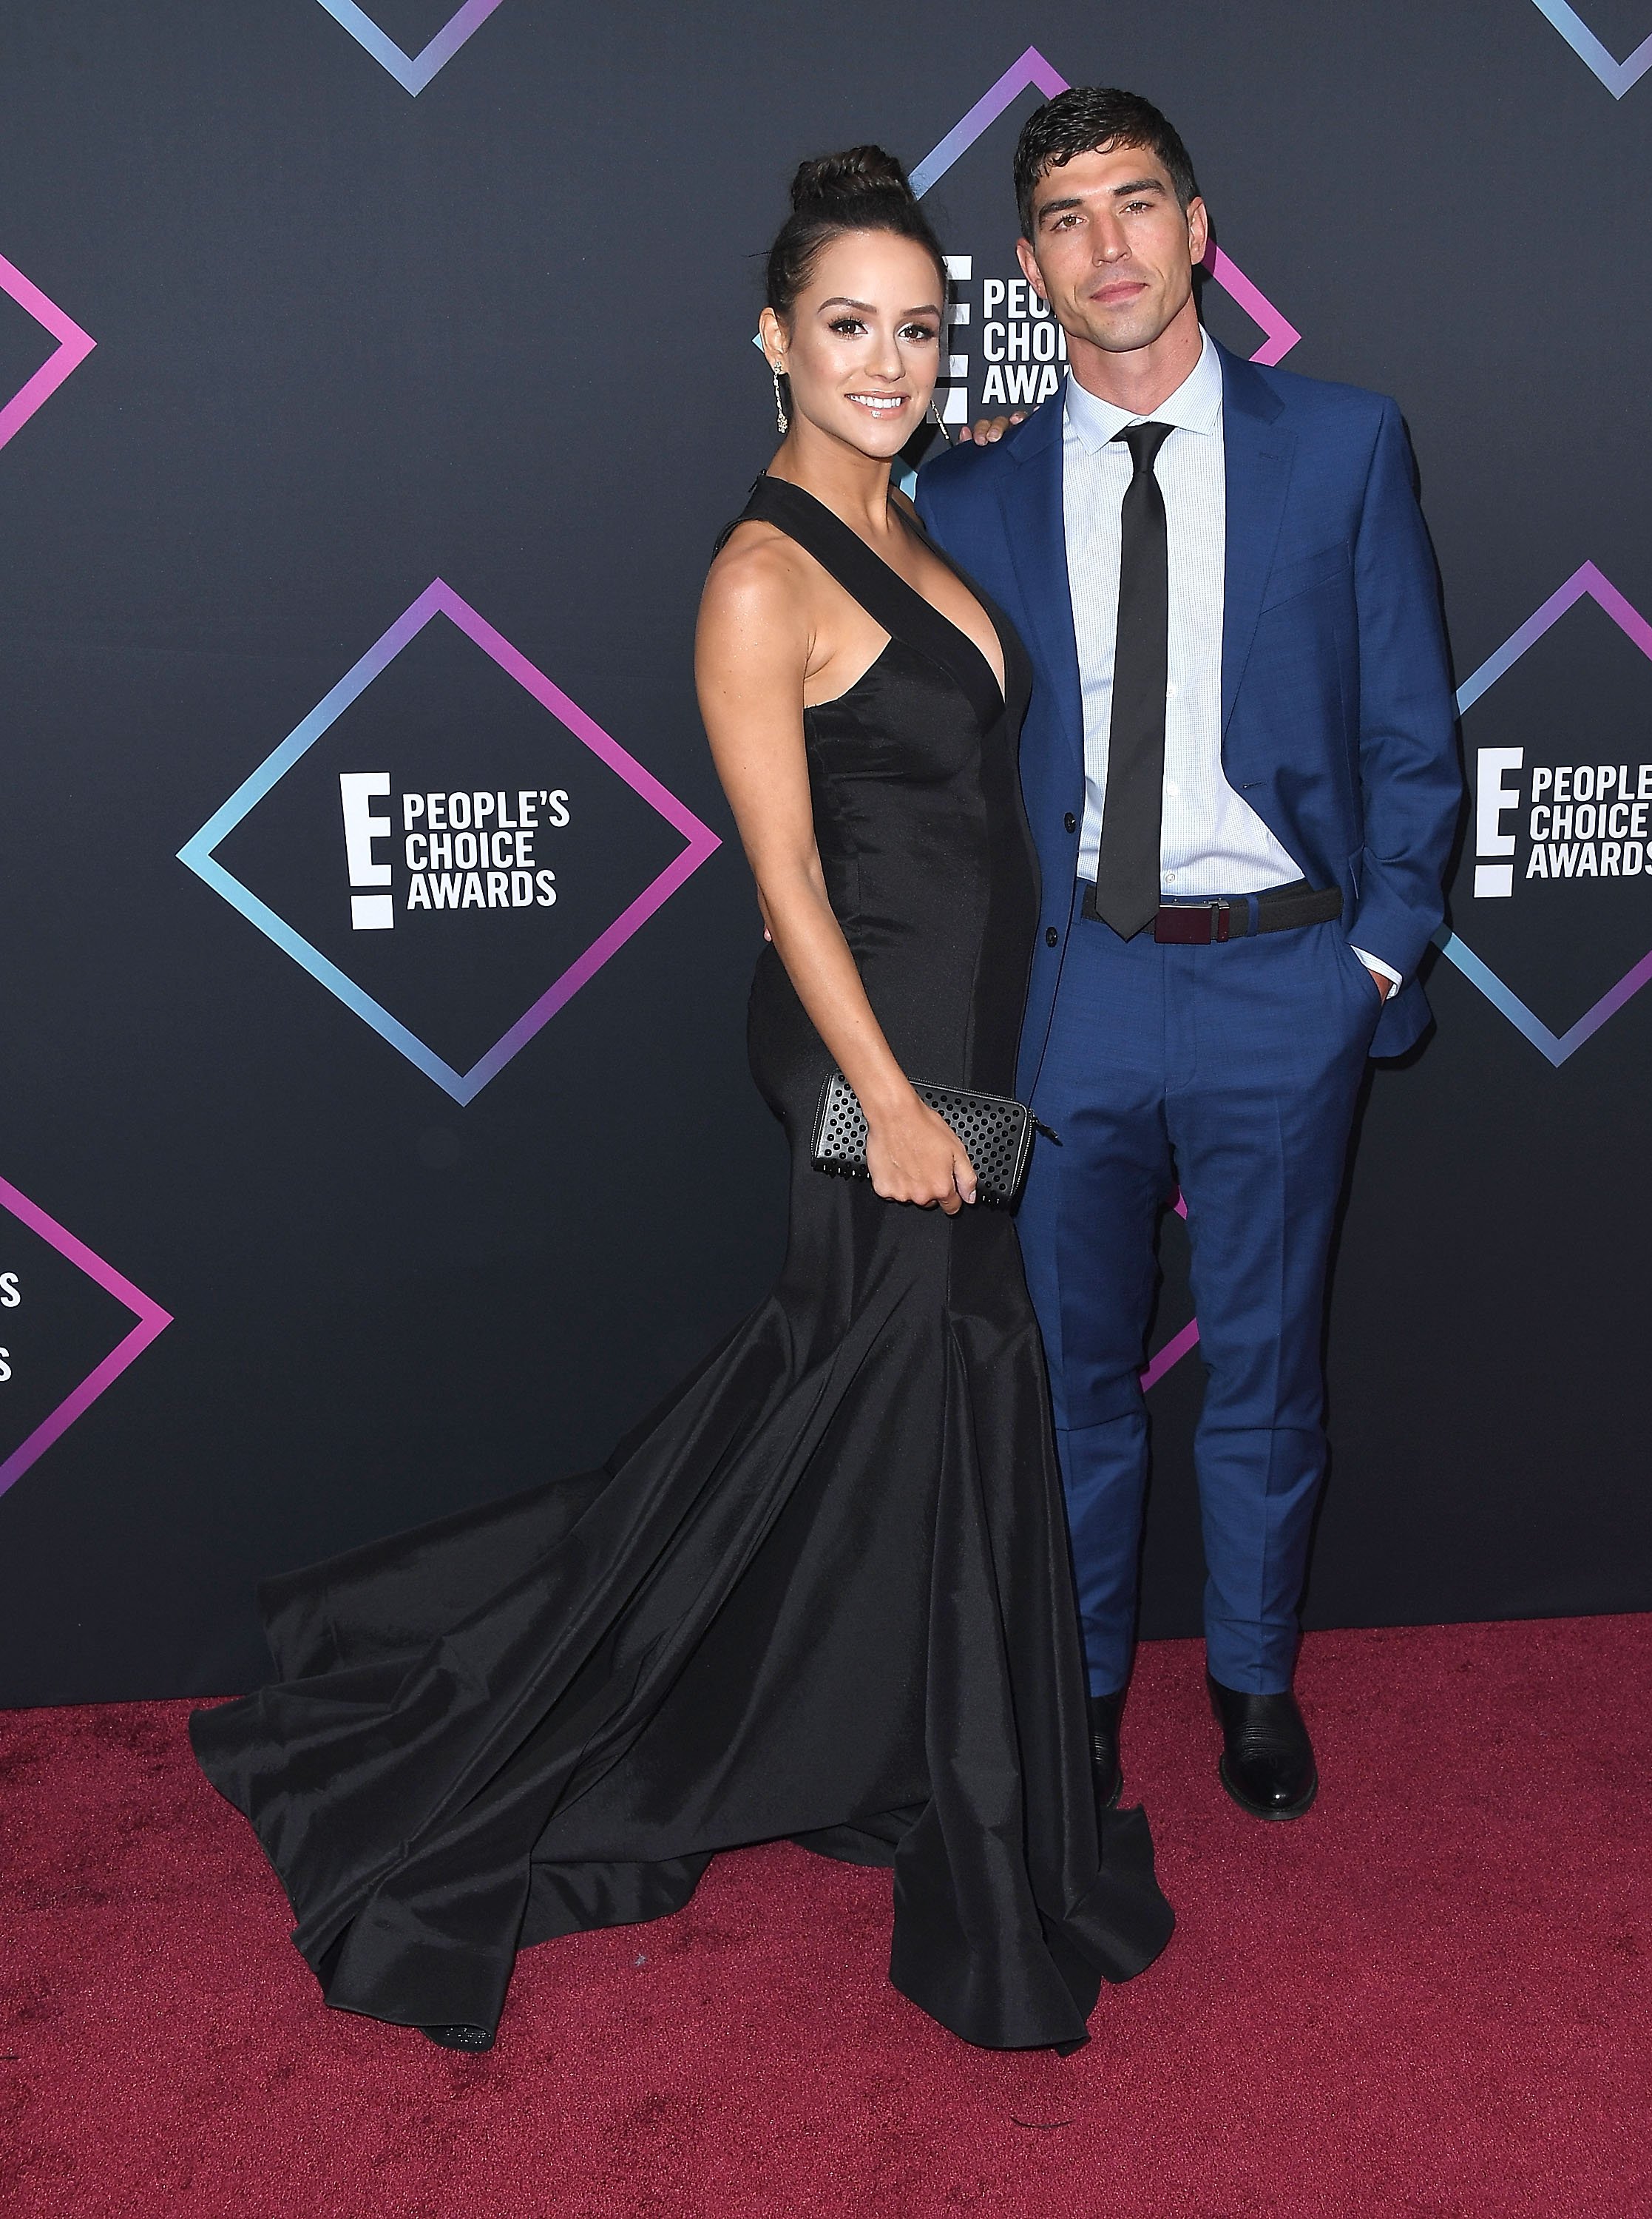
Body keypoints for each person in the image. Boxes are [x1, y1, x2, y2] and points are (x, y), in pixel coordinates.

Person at [191, 149, 1171, 2057]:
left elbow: (1025, 424)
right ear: (770, 340)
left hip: (952, 1046)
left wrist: (985, 399)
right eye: (845, 328)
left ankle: (890, 1739)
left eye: (915, 326)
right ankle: (916, 1801)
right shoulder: (757, 577)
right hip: (858, 1056)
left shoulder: (905, 509)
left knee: (882, 1396)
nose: (888, 360)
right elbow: (788, 883)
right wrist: (888, 1106)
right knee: (922, 1370)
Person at [917, 89, 1461, 1821]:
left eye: (1136, 204)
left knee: (1267, 1370)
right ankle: (1076, 1697)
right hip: (1072, 992)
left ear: (1200, 226)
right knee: (1069, 1383)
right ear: (1030, 265)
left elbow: (1409, 733)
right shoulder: (974, 492)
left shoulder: (1345, 444)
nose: (1109, 247)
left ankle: (1249, 1683)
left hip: (1281, 981)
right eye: (1068, 220)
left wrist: (1371, 962)